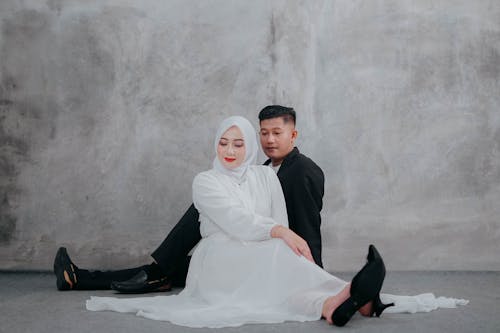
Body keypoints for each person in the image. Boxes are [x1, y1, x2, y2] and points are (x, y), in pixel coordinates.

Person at [85, 116, 467, 328]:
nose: (231, 151)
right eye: (224, 143)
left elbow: (278, 221)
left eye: (239, 144)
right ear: (215, 145)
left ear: (249, 146)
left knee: (283, 262)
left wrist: (290, 243)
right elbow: (236, 221)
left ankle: (339, 304)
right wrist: (280, 234)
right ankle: (350, 296)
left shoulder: (266, 176)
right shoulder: (206, 181)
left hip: (263, 248)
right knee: (271, 257)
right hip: (219, 257)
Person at [54, 105, 325, 292]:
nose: (269, 139)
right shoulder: (262, 170)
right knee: (184, 250)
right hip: (243, 247)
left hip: (269, 257)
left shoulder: (302, 171)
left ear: (293, 135)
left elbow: (307, 229)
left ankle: (102, 277)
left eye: (277, 133)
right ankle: (83, 278)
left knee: (173, 259)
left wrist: (311, 277)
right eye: (264, 133)